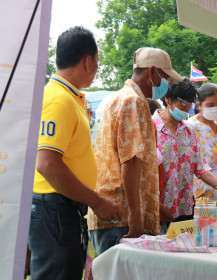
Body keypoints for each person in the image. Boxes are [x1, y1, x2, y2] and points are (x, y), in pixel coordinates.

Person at [29, 26, 121, 280]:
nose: (97, 68)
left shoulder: (68, 98)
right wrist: (97, 201)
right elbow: (47, 164)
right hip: (53, 207)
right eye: (98, 62)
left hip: (59, 208)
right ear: (87, 61)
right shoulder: (59, 100)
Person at [87, 47, 183, 255]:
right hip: (121, 218)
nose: (165, 84)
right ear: (152, 73)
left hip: (114, 215)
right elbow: (130, 161)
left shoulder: (119, 97)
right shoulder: (133, 101)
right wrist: (135, 215)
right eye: (164, 77)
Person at [153, 79, 217, 224]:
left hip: (185, 208)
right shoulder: (150, 127)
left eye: (190, 103)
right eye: (183, 102)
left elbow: (200, 167)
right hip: (159, 209)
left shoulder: (188, 130)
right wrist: (155, 205)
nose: (186, 108)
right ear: (167, 99)